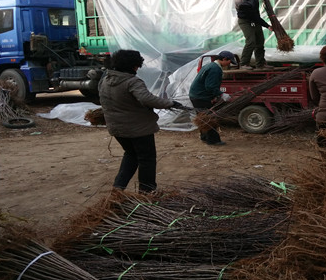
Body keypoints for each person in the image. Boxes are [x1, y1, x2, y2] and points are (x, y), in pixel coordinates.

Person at [98, 49, 183, 193]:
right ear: (132, 65)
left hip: (117, 128)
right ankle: (147, 192)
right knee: (146, 159)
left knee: (131, 155)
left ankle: (118, 188)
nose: (138, 69)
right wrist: (170, 103)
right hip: (138, 129)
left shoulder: (105, 80)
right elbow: (147, 99)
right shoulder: (132, 81)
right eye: (137, 65)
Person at [189, 51, 236, 146]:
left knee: (202, 117)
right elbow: (210, 86)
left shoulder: (210, 65)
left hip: (196, 95)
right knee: (209, 118)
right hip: (200, 96)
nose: (229, 64)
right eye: (229, 62)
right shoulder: (215, 69)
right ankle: (213, 140)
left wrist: (214, 96)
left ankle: (204, 137)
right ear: (224, 59)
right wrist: (222, 94)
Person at [236, 0, 273, 69]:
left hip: (254, 17)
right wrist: (268, 26)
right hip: (245, 21)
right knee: (251, 41)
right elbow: (255, 17)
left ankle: (260, 64)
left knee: (260, 41)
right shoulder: (242, 3)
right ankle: (244, 63)